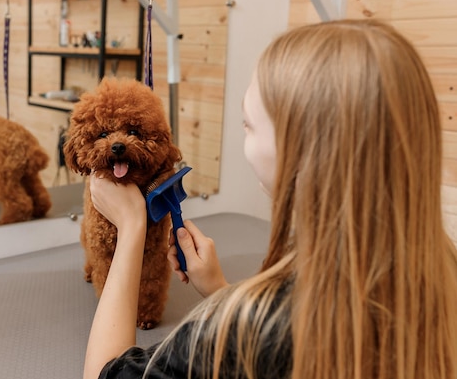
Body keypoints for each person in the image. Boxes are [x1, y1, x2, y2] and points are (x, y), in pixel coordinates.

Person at [83, 19, 457, 379]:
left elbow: (105, 372)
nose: (244, 132)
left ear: (300, 148)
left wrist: (131, 227)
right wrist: (223, 292)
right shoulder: (441, 266)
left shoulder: (246, 333)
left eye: (248, 124)